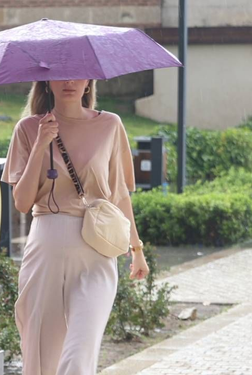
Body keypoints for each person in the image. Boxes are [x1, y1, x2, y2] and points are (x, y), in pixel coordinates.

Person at [1, 79, 150, 374]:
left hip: (96, 253)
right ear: (46, 82)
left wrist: (137, 248)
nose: (69, 81)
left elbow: (119, 194)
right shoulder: (29, 128)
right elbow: (21, 202)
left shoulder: (110, 125)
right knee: (43, 359)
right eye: (62, 74)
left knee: (78, 356)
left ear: (89, 83)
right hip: (45, 251)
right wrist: (42, 142)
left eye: (78, 74)